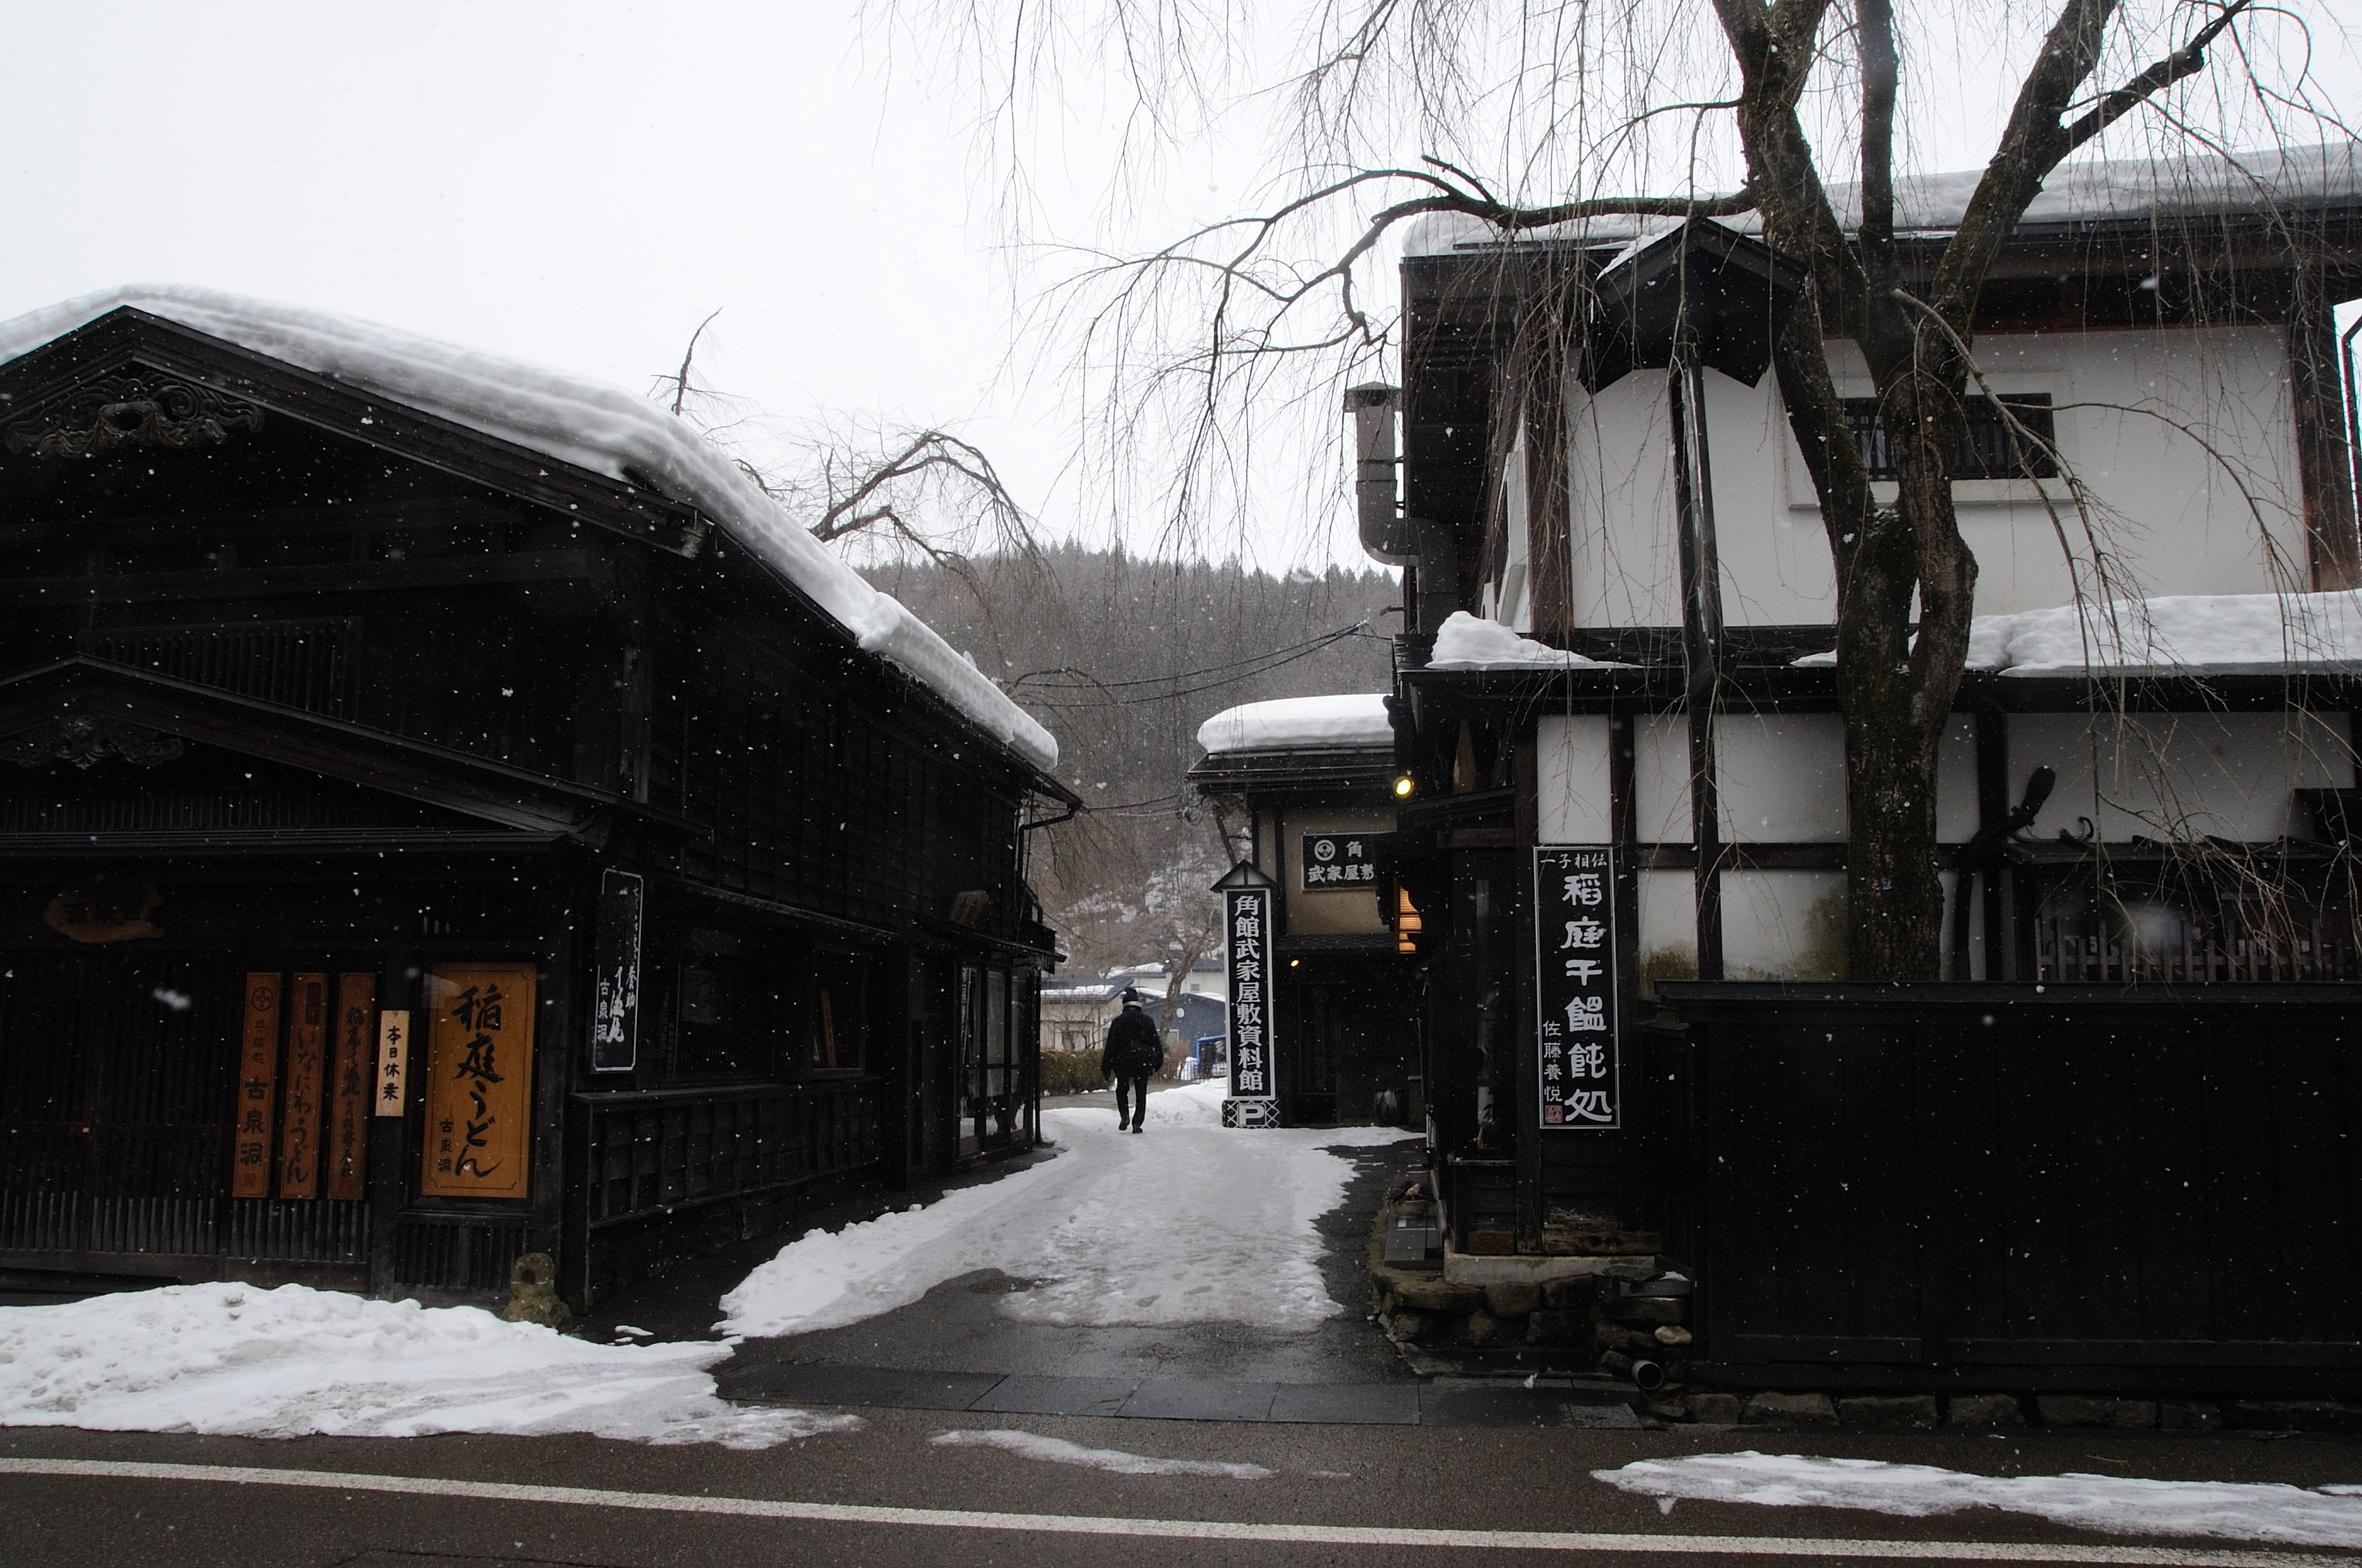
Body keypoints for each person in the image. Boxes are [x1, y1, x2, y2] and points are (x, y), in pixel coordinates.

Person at [1100, 986, 1163, 1133]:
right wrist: (1157, 1063)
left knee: (1122, 1090)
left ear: (1125, 1004)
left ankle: (1125, 1116)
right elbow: (1156, 1043)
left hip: (1123, 1062)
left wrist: (1106, 1066)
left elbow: (1111, 1046)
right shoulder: (1147, 1021)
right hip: (1142, 1062)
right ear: (1138, 1003)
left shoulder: (1118, 1022)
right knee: (1141, 1092)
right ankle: (1137, 1123)